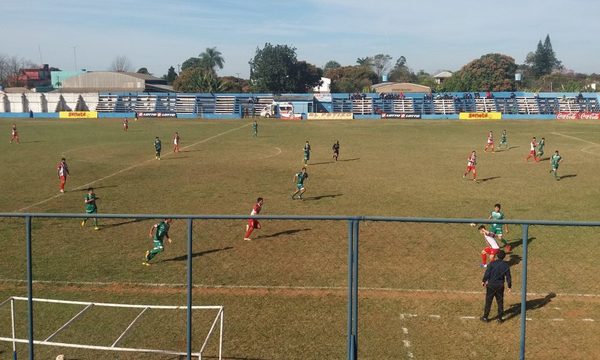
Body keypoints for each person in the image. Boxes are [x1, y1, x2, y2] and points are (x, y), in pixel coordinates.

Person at [481, 250, 512, 323]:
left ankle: (485, 317)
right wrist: (509, 286)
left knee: (488, 301)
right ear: (504, 257)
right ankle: (500, 319)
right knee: (500, 302)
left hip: (491, 285)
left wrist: (484, 280)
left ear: (497, 256)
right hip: (500, 286)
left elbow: (487, 273)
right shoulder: (506, 265)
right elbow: (508, 277)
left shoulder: (492, 264)